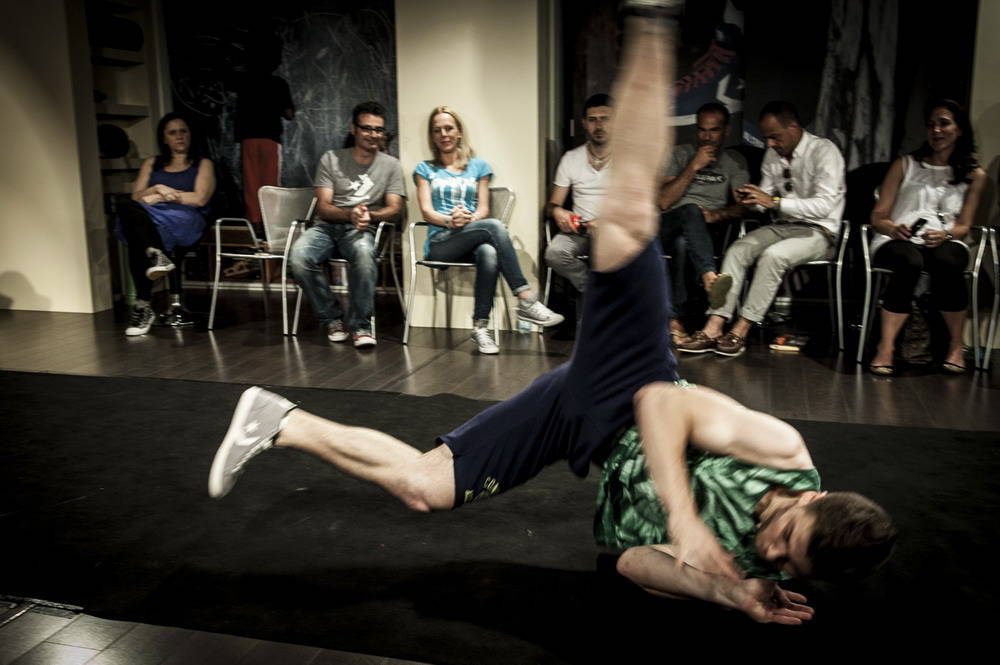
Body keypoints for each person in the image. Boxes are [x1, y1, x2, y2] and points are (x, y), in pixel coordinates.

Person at [208, 13, 894, 623]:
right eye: (786, 535)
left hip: (582, 423)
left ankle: (280, 420)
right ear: (814, 497)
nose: (771, 550)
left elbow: (631, 563)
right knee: (630, 215)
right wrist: (686, 522)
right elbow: (660, 402)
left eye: (787, 561)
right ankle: (653, 18)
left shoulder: (768, 566)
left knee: (424, 488)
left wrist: (728, 592)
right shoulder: (779, 453)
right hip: (628, 380)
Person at [678, 101, 845, 357]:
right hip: (783, 225)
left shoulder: (824, 151)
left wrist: (775, 202)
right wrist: (750, 199)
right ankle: (714, 326)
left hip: (819, 231)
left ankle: (741, 330)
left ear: (793, 127)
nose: (770, 143)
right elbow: (764, 199)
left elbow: (824, 206)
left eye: (775, 137)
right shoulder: (773, 154)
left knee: (773, 256)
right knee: (738, 250)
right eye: (766, 138)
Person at [414, 106, 564, 355]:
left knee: (488, 252)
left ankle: (480, 327)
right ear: (432, 136)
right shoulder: (424, 169)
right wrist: (451, 221)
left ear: (459, 132)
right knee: (494, 226)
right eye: (437, 130)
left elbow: (483, 209)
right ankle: (526, 298)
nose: (444, 134)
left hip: (469, 236)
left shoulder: (479, 167)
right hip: (441, 242)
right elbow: (427, 212)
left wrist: (467, 218)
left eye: (449, 128)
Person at [867, 100, 987, 375]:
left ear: (959, 129)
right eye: (931, 125)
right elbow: (878, 215)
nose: (936, 130)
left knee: (949, 261)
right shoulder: (905, 164)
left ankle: (956, 346)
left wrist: (946, 234)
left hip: (944, 239)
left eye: (944, 123)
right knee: (908, 261)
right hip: (898, 239)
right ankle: (886, 348)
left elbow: (964, 226)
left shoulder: (974, 175)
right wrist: (892, 228)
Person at [290, 101, 404, 349]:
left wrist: (369, 216)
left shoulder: (391, 165)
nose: (373, 134)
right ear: (354, 129)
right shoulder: (331, 159)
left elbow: (395, 209)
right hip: (327, 226)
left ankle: (361, 326)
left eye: (378, 129)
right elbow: (323, 207)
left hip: (362, 227)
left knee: (364, 254)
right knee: (299, 257)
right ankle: (332, 318)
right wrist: (349, 213)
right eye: (367, 128)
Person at [657, 101, 749, 341]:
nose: (707, 137)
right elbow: (664, 202)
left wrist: (717, 214)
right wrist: (693, 166)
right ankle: (710, 277)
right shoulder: (680, 154)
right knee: (690, 211)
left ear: (726, 130)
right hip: (669, 223)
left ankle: (675, 321)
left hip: (707, 231)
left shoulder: (734, 161)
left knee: (683, 242)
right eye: (702, 130)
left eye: (714, 130)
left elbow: (744, 205)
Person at [119, 112, 216, 337]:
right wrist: (157, 188)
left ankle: (143, 304)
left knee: (138, 235)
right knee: (128, 209)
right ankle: (155, 253)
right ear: (164, 138)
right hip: (152, 218)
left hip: (186, 219)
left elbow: (200, 198)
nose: (179, 136)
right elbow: (137, 197)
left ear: (190, 135)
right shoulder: (152, 163)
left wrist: (161, 196)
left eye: (183, 131)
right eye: (172, 133)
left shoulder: (203, 164)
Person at [544, 93, 614, 296]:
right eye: (592, 120)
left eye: (605, 119)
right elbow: (552, 204)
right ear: (584, 123)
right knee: (554, 254)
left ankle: (601, 299)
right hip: (579, 230)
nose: (598, 126)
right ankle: (600, 293)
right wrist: (557, 212)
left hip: (615, 230)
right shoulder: (571, 158)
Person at [234, 45, 294, 227]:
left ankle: (254, 224)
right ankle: (270, 225)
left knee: (251, 184)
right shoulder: (279, 83)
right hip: (270, 138)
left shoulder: (243, 82)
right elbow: (289, 114)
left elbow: (238, 112)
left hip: (248, 139)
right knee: (270, 185)